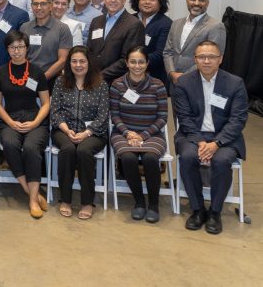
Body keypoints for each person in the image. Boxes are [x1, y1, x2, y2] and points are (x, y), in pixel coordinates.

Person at [174, 41, 248, 235]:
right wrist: (201, 142)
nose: (206, 61)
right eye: (201, 57)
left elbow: (238, 119)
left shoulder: (235, 83)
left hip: (224, 137)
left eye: (211, 57)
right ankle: (197, 209)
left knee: (222, 160)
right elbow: (184, 117)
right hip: (192, 135)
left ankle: (215, 212)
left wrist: (216, 143)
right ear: (195, 59)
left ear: (220, 59)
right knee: (188, 157)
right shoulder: (183, 82)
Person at [0, 31, 51, 218]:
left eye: (20, 47)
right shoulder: (1, 72)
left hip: (35, 118)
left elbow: (46, 103)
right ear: (7, 49)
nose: (16, 51)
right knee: (10, 144)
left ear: (26, 48)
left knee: (31, 147)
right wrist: (9, 121)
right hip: (10, 118)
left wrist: (35, 122)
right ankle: (30, 192)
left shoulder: (36, 71)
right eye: (12, 47)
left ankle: (33, 201)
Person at [109, 46, 169, 223]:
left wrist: (142, 136)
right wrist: (128, 134)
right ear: (127, 63)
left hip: (152, 133)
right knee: (127, 158)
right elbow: (115, 115)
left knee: (151, 158)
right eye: (133, 61)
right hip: (123, 132)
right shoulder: (117, 85)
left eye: (141, 61)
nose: (137, 65)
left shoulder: (158, 85)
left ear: (147, 63)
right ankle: (140, 202)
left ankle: (154, 205)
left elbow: (163, 117)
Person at [50, 46, 109, 219]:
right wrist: (66, 129)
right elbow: (55, 111)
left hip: (94, 133)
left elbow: (103, 115)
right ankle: (65, 199)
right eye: (74, 61)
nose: (78, 65)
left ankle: (87, 202)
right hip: (64, 129)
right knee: (67, 150)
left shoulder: (101, 84)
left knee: (83, 151)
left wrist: (86, 133)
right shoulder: (60, 82)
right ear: (69, 63)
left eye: (82, 61)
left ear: (89, 62)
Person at [163, 0, 227, 87]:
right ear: (187, 1)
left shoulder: (216, 26)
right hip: (174, 82)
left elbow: (213, 57)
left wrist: (184, 77)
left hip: (199, 83)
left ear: (207, 3)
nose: (196, 3)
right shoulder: (176, 23)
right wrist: (172, 73)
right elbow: (167, 52)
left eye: (201, 0)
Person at [86, 0, 145, 84]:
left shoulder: (134, 24)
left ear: (124, 0)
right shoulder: (96, 21)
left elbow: (128, 58)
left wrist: (101, 76)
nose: (112, 0)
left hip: (118, 82)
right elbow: (89, 50)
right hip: (93, 80)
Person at [19, 0, 72, 83]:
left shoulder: (62, 29)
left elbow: (63, 60)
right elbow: (21, 55)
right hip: (27, 78)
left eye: (43, 4)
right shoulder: (24, 28)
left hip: (53, 80)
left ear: (51, 6)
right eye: (35, 4)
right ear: (31, 6)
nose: (39, 7)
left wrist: (42, 78)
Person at [129, 0, 172, 85]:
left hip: (154, 78)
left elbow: (160, 54)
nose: (147, 2)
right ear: (137, 1)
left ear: (160, 3)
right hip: (128, 74)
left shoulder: (166, 23)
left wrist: (135, 63)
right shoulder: (129, 19)